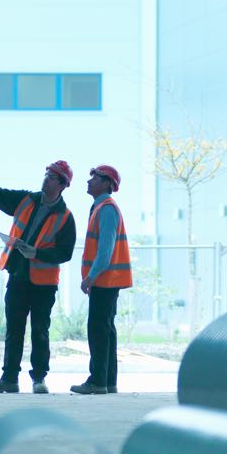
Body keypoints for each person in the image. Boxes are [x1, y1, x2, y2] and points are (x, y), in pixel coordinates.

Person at [0, 158, 77, 394]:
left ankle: (39, 379)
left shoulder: (65, 217)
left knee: (40, 331)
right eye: (46, 175)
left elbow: (65, 252)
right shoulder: (26, 200)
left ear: (62, 184)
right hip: (19, 277)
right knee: (14, 330)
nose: (46, 180)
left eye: (51, 177)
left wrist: (37, 253)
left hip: (44, 285)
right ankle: (9, 378)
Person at [70, 165, 132, 395]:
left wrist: (90, 277)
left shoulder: (106, 209)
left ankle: (97, 382)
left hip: (105, 281)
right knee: (106, 330)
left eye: (94, 178)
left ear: (107, 184)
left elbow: (105, 251)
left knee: (98, 330)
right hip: (108, 281)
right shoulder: (101, 208)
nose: (89, 181)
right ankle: (107, 381)